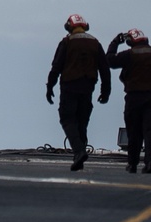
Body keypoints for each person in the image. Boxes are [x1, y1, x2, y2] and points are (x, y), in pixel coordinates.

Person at [46, 13, 111, 171]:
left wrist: (50, 87)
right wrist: (106, 90)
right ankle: (79, 157)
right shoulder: (95, 43)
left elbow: (56, 67)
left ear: (69, 26)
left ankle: (79, 151)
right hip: (88, 86)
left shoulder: (66, 42)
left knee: (67, 119)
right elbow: (104, 69)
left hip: (69, 86)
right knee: (82, 121)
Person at [107, 28, 151, 174]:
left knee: (134, 132)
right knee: (150, 131)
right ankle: (150, 162)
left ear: (131, 41)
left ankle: (132, 164)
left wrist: (114, 43)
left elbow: (110, 61)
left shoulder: (129, 54)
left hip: (133, 97)